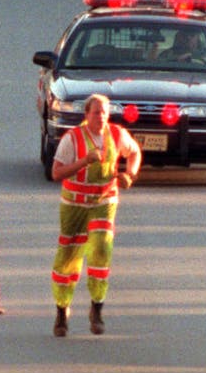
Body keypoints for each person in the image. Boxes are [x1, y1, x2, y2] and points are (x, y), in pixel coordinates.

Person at [49, 93, 142, 337]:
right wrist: (82, 162)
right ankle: (62, 310)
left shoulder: (117, 134)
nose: (100, 117)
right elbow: (56, 173)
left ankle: (97, 307)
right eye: (95, 112)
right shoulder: (72, 139)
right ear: (86, 115)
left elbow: (134, 153)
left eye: (104, 112)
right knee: (69, 257)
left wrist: (129, 174)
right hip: (74, 204)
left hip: (104, 199)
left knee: (101, 248)